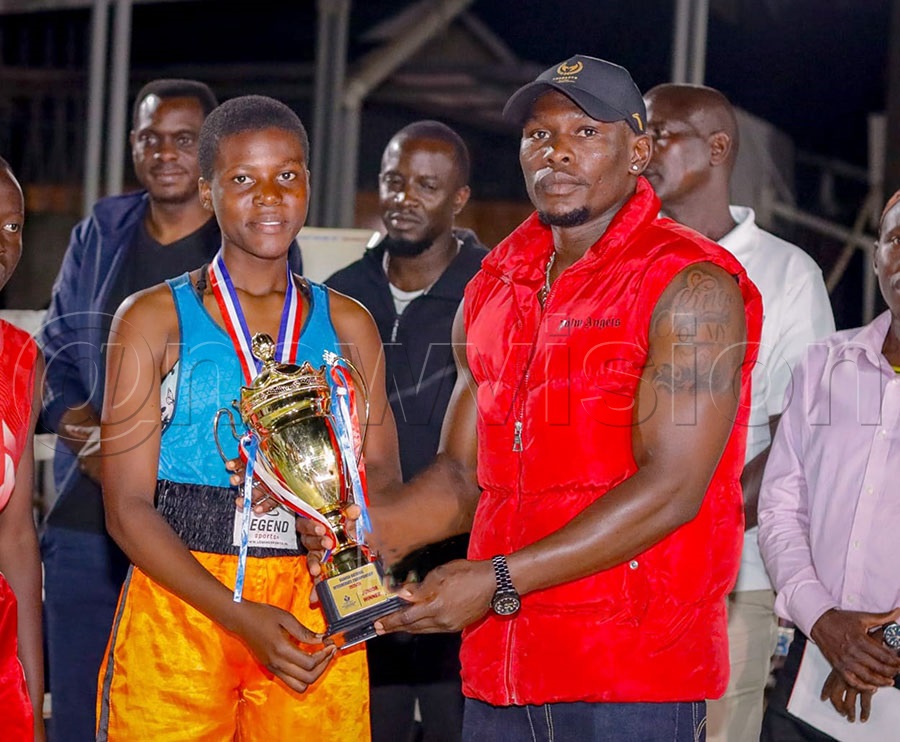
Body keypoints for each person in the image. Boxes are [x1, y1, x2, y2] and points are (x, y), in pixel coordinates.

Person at [302, 54, 763, 741]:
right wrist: (365, 532)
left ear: (638, 151)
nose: (557, 153)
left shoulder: (690, 285)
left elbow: (673, 487)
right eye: (539, 135)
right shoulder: (494, 286)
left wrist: (494, 580)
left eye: (585, 133)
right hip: (501, 672)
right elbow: (464, 474)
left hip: (630, 675)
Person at [96, 95, 400, 739]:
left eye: (287, 175)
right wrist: (238, 615)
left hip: (316, 607)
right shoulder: (151, 319)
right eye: (243, 179)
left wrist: (356, 540)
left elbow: (381, 479)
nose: (269, 195)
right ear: (207, 193)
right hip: (183, 600)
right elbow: (126, 507)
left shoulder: (349, 324)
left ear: (310, 184)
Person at [643, 82, 835, 741]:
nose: (640, 147)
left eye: (659, 132)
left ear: (717, 147)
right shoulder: (622, 260)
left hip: (727, 577)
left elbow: (795, 444)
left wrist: (683, 524)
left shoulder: (787, 275)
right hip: (610, 571)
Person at [38, 78, 220, 742]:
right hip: (86, 519)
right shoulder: (104, 227)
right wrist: (81, 425)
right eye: (150, 137)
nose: (165, 152)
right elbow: (57, 349)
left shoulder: (246, 239)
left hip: (192, 532)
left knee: (176, 716)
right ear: (132, 145)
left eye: (183, 138)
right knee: (82, 718)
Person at [327, 120, 487, 742]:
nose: (405, 197)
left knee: (457, 723)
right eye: (394, 181)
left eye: (426, 185)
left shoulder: (491, 290)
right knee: (372, 723)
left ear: (459, 198)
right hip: (359, 552)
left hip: (462, 555)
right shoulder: (339, 293)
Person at [757, 189, 900, 740]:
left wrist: (879, 649)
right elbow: (781, 510)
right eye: (897, 239)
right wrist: (823, 623)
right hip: (812, 662)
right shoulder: (822, 366)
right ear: (877, 255)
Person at [0, 157, 45, 741]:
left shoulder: (19, 360)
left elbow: (15, 536)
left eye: (12, 226)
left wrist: (33, 700)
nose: (1, 242)